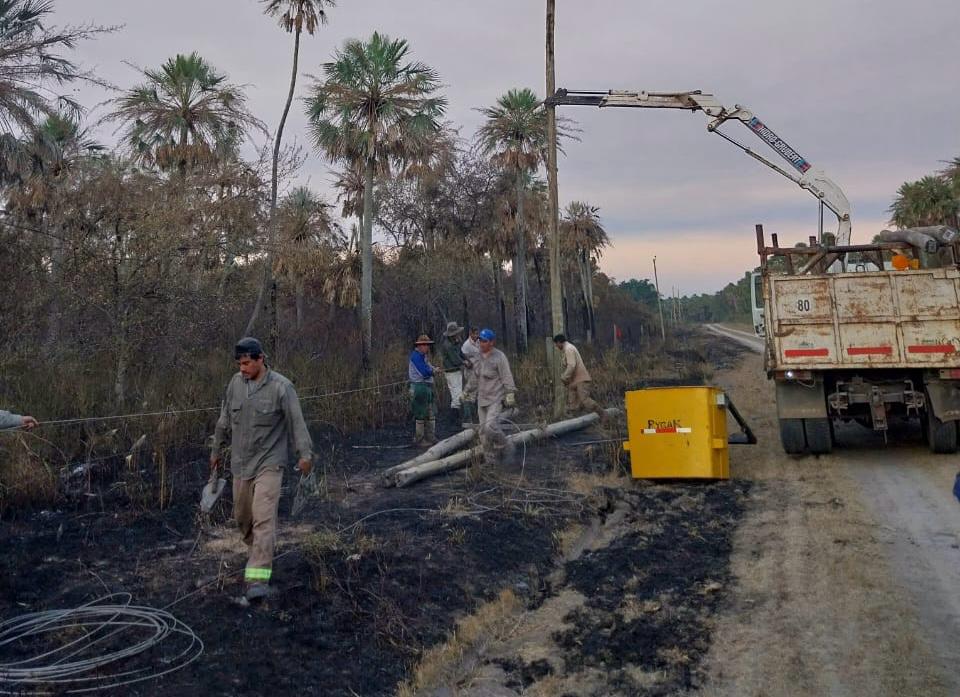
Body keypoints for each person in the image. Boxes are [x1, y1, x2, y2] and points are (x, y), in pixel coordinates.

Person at [210, 337, 313, 601]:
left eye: (246, 363)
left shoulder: (282, 387)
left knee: (263, 519)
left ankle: (257, 579)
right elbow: (223, 421)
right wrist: (215, 452)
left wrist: (305, 454)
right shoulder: (235, 384)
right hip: (241, 465)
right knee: (243, 518)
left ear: (260, 359)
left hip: (270, 463)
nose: (242, 369)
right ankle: (257, 551)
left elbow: (296, 423)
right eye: (239, 364)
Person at [465, 328, 516, 465]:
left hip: (496, 398)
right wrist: (467, 391)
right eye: (480, 341)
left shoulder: (499, 357)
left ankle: (505, 445)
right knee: (483, 433)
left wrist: (510, 392)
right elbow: (475, 378)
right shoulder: (478, 357)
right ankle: (491, 462)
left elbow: (506, 376)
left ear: (492, 342)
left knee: (490, 426)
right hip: (482, 399)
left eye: (485, 341)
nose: (482, 344)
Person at [553, 334, 604, 418]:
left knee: (585, 400)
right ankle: (576, 422)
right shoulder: (568, 348)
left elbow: (572, 365)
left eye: (556, 344)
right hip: (574, 381)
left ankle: (603, 414)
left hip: (581, 379)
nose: (556, 346)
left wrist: (564, 377)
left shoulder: (568, 349)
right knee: (573, 404)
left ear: (559, 342)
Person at [409, 334, 439, 446]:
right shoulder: (416, 356)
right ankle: (420, 439)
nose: (428, 347)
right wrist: (433, 372)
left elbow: (428, 366)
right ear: (420, 346)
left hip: (426, 387)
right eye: (426, 345)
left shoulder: (423, 356)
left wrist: (434, 369)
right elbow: (423, 372)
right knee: (420, 414)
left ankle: (431, 436)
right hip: (418, 387)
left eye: (428, 345)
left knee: (430, 413)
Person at [439, 322, 465, 424]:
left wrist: (466, 359)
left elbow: (460, 353)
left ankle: (455, 418)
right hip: (451, 372)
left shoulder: (456, 342)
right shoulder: (448, 345)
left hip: (456, 371)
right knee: (457, 396)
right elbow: (455, 360)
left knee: (458, 394)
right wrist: (465, 363)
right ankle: (453, 419)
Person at [459, 327, 481, 427]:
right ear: (470, 334)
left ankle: (476, 417)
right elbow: (461, 356)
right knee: (470, 394)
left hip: (479, 371)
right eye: (475, 334)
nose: (476, 336)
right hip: (470, 372)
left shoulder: (479, 342)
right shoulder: (466, 345)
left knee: (477, 394)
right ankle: (468, 419)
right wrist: (466, 363)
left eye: (477, 334)